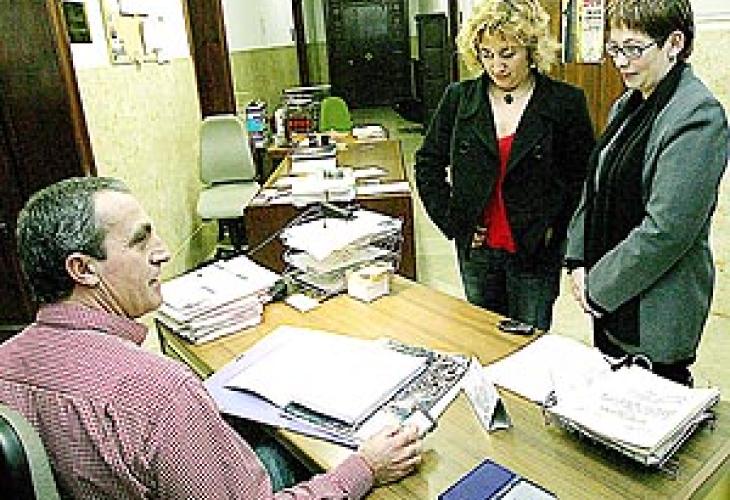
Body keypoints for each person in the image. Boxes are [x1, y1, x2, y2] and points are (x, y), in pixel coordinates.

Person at [0, 177, 422, 499]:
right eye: (140, 242)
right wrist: (364, 468)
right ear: (83, 269)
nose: (163, 253)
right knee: (283, 450)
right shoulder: (163, 392)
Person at [566, 0, 729, 386]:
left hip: (655, 307)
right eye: (614, 48)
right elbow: (595, 184)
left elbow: (667, 231)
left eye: (634, 49)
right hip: (611, 296)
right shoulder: (629, 102)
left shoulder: (698, 115)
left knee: (650, 401)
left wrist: (597, 287)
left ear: (675, 43)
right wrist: (577, 259)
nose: (621, 62)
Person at [415, 0, 595, 331]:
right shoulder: (459, 98)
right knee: (484, 337)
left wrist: (557, 234)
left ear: (531, 49)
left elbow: (582, 179)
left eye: (508, 53)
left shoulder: (565, 102)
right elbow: (428, 163)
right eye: (487, 54)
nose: (497, 66)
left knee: (529, 340)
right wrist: (453, 221)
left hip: (535, 251)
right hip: (478, 252)